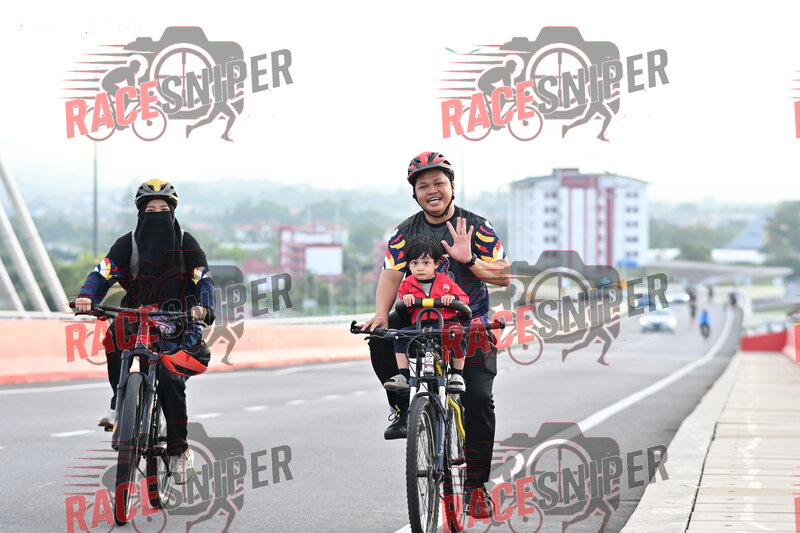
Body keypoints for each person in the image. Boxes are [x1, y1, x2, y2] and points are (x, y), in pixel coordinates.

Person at [360, 151, 511, 519]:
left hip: (469, 325)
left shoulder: (477, 226)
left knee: (479, 399)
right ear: (414, 194)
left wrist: (468, 259)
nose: (432, 190)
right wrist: (380, 314)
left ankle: (476, 486)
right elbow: (391, 276)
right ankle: (402, 409)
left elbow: (504, 275)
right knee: (379, 339)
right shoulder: (404, 233)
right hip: (419, 323)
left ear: (452, 187)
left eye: (439, 183)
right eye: (423, 186)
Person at [74, 179, 215, 484]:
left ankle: (178, 451)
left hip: (179, 322)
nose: (157, 215)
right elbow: (103, 272)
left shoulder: (186, 243)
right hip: (137, 316)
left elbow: (203, 278)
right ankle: (119, 403)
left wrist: (204, 306)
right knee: (115, 333)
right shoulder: (128, 244)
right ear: (140, 213)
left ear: (173, 212)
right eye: (150, 210)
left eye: (163, 209)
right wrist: (88, 296)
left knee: (169, 377)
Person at [383, 235, 469, 394]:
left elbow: (464, 298)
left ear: (437, 264)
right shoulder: (407, 284)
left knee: (458, 335)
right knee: (400, 336)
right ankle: (403, 375)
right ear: (409, 265)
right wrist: (405, 298)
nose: (420, 268)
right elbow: (402, 304)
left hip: (446, 323)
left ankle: (457, 374)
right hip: (420, 325)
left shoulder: (446, 282)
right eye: (414, 263)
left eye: (426, 263)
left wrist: (453, 298)